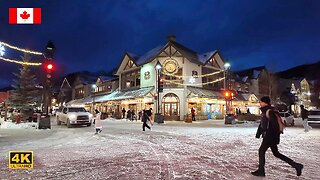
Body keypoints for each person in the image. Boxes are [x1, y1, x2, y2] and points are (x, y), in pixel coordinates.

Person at [251, 96, 303, 177]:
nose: (260, 103)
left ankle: (261, 171)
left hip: (269, 136)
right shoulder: (266, 111)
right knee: (276, 153)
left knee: (261, 151)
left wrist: (274, 137)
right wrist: (259, 133)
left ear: (265, 103)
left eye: (261, 102)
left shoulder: (270, 112)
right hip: (269, 136)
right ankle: (296, 165)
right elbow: (262, 124)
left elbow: (274, 126)